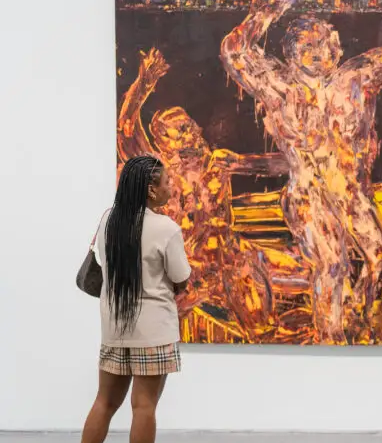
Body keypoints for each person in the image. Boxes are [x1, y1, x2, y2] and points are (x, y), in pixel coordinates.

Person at [221, 0, 382, 344]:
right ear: (290, 54)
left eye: (323, 44)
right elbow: (234, 53)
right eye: (305, 45)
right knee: (331, 263)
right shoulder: (278, 86)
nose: (316, 51)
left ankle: (365, 329)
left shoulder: (354, 79)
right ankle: (331, 337)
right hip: (308, 194)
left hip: (351, 194)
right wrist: (263, 13)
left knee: (379, 257)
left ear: (337, 49)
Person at [118, 47, 283, 340]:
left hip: (228, 260)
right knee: (155, 330)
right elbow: (127, 130)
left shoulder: (217, 162)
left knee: (261, 324)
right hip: (186, 268)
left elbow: (274, 165)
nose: (190, 133)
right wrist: (143, 82)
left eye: (190, 126)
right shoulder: (160, 172)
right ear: (163, 142)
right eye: (179, 131)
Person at [58, 156, 192, 443]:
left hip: (115, 327)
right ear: (151, 189)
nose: (170, 187)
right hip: (154, 331)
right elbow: (181, 277)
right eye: (165, 182)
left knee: (104, 402)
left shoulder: (108, 221)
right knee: (143, 407)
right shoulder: (166, 229)